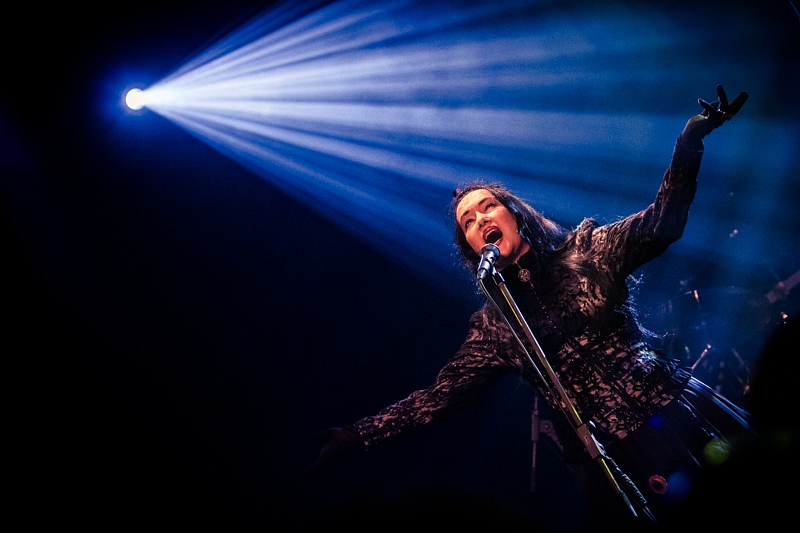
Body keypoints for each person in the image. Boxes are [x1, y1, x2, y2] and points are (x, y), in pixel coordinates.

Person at [300, 85, 760, 531]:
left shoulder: (587, 251)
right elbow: (436, 400)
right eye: (468, 221)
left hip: (674, 408)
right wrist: (355, 435)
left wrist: (689, 143)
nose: (480, 219)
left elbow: (663, 220)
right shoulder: (494, 328)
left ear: (513, 214)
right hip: (609, 456)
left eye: (488, 208)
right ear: (470, 246)